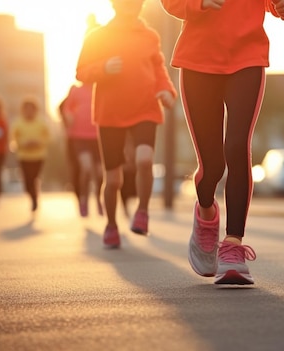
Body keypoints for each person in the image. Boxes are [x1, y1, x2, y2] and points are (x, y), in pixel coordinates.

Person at [160, 0, 284, 284]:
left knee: (237, 148)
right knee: (212, 167)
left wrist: (282, 6)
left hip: (247, 57)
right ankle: (207, 214)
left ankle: (233, 245)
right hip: (198, 60)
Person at [76, 0, 177, 247]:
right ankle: (111, 225)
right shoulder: (98, 36)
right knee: (113, 180)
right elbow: (81, 72)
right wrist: (103, 67)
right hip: (110, 113)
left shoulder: (150, 36)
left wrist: (167, 91)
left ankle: (142, 212)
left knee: (144, 160)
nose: (131, 4)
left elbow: (159, 70)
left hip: (145, 107)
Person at [62, 81, 104, 217]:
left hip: (98, 137)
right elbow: (66, 108)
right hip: (79, 136)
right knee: (86, 168)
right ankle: (83, 199)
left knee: (99, 173)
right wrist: (68, 116)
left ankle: (98, 198)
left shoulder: (101, 88)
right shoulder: (75, 90)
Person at [10, 97, 49, 213]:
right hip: (23, 156)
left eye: (31, 109)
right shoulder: (18, 123)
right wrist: (23, 143)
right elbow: (13, 139)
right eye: (26, 109)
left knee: (34, 178)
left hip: (38, 156)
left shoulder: (41, 122)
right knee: (27, 181)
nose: (29, 111)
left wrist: (39, 142)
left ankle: (35, 199)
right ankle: (33, 195)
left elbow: (48, 137)